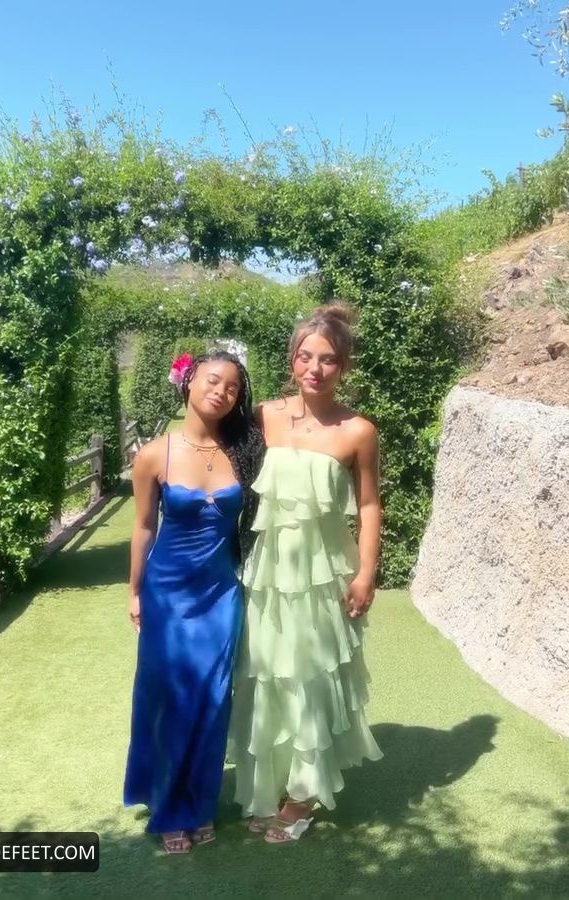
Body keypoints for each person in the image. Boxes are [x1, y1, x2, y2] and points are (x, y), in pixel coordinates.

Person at [229, 302, 383, 843]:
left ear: (344, 366)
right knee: (266, 673)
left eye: (328, 359)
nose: (315, 368)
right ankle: (267, 785)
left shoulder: (358, 431)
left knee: (311, 677)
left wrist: (366, 574)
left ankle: (301, 796)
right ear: (292, 360)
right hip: (267, 572)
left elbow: (369, 506)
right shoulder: (263, 416)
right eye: (305, 356)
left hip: (325, 575)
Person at [124, 350, 262, 854]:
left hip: (221, 593)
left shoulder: (245, 451)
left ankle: (199, 804)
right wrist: (134, 590)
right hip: (167, 593)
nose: (221, 392)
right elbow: (143, 527)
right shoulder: (153, 455)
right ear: (188, 383)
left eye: (232, 387)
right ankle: (168, 808)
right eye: (212, 380)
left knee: (212, 699)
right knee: (171, 699)